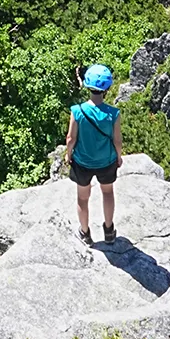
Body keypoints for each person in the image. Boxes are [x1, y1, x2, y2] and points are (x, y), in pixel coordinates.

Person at [67, 62, 121, 244]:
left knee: (82, 198)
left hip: (83, 162)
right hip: (107, 161)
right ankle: (109, 231)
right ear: (107, 88)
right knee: (108, 193)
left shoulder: (77, 111)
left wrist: (69, 155)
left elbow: (71, 138)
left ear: (88, 86)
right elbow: (117, 140)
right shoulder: (113, 113)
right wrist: (119, 157)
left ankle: (85, 233)